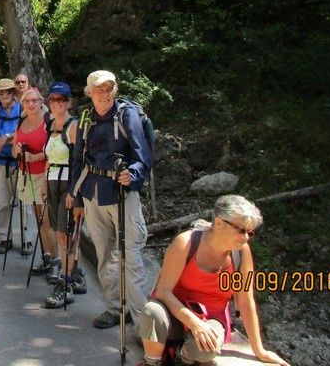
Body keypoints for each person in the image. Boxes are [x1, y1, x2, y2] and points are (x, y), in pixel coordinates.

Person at [139, 195, 290, 366]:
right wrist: (193, 322)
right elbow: (163, 291)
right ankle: (153, 362)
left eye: (250, 232)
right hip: (173, 313)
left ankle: (182, 356)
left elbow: (246, 302)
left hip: (212, 318)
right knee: (151, 311)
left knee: (207, 349)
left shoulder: (242, 253)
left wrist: (259, 351)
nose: (246, 237)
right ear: (219, 223)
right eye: (241, 230)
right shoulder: (186, 243)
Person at [67, 70, 152, 329]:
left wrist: (133, 174)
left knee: (132, 257)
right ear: (89, 92)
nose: (103, 94)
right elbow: (78, 159)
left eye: (108, 89)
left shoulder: (126, 115)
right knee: (105, 255)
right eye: (98, 89)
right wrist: (76, 196)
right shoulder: (85, 117)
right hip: (92, 192)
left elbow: (143, 155)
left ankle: (143, 324)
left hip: (121, 192)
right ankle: (116, 308)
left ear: (115, 90)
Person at [39, 81, 86, 309]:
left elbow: (79, 161)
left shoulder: (73, 126)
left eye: (61, 100)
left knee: (64, 234)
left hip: (68, 183)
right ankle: (74, 275)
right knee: (59, 232)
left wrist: (74, 192)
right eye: (53, 100)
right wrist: (44, 185)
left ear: (69, 102)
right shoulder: (50, 124)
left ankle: (65, 283)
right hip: (53, 180)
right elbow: (49, 157)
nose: (56, 103)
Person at [0, 77, 31, 254]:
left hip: (20, 163)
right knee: (3, 202)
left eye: (7, 91)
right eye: (0, 92)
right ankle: (4, 238)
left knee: (24, 202)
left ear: (13, 93)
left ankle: (26, 239)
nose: (3, 95)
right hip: (1, 163)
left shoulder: (23, 109)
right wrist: (10, 140)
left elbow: (25, 132)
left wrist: (4, 138)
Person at [12, 88, 53, 270]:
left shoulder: (48, 122)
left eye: (35, 101)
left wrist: (34, 157)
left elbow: (55, 152)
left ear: (41, 102)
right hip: (26, 174)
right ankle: (47, 257)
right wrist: (19, 153)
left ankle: (55, 263)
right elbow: (14, 149)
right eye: (27, 101)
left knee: (46, 221)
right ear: (23, 104)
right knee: (39, 220)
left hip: (44, 176)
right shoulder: (21, 121)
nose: (31, 104)